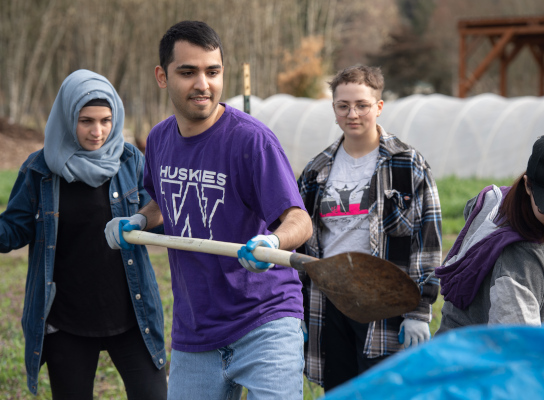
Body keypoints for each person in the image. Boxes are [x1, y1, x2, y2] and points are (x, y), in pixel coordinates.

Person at [104, 21, 312, 400]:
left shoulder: (251, 141)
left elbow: (299, 220)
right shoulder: (160, 139)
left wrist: (272, 240)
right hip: (195, 328)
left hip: (265, 319)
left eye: (212, 72)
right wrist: (137, 220)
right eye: (188, 72)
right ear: (162, 76)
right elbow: (163, 203)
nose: (203, 84)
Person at [0, 70, 167, 399]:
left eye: (106, 120)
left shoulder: (130, 161)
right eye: (85, 120)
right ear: (66, 118)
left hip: (132, 317)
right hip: (68, 322)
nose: (98, 131)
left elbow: (162, 218)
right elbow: (12, 232)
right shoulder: (40, 170)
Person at [297, 65, 442, 391]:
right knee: (340, 390)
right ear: (333, 108)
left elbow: (427, 241)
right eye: (343, 105)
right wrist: (298, 311)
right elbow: (302, 245)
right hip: (330, 300)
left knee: (384, 390)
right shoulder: (317, 170)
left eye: (362, 105)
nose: (353, 113)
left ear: (378, 106)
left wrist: (419, 310)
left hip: (385, 300)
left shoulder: (407, 164)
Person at [436, 133, 544, 333]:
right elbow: (518, 341)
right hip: (474, 357)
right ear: (528, 186)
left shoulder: (501, 201)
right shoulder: (519, 256)